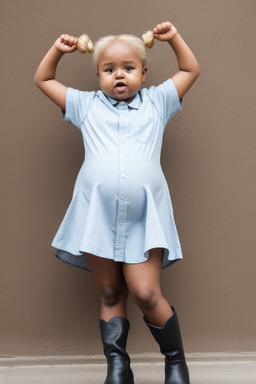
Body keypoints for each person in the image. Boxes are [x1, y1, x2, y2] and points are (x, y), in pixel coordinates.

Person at [34, 21, 200, 384]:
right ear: (98, 75)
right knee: (110, 291)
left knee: (145, 291)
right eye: (109, 70)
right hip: (98, 215)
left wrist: (172, 39)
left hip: (144, 216)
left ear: (143, 72)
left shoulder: (158, 102)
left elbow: (190, 69)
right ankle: (118, 368)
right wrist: (58, 51)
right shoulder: (86, 105)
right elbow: (43, 79)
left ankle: (175, 363)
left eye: (128, 68)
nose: (118, 75)